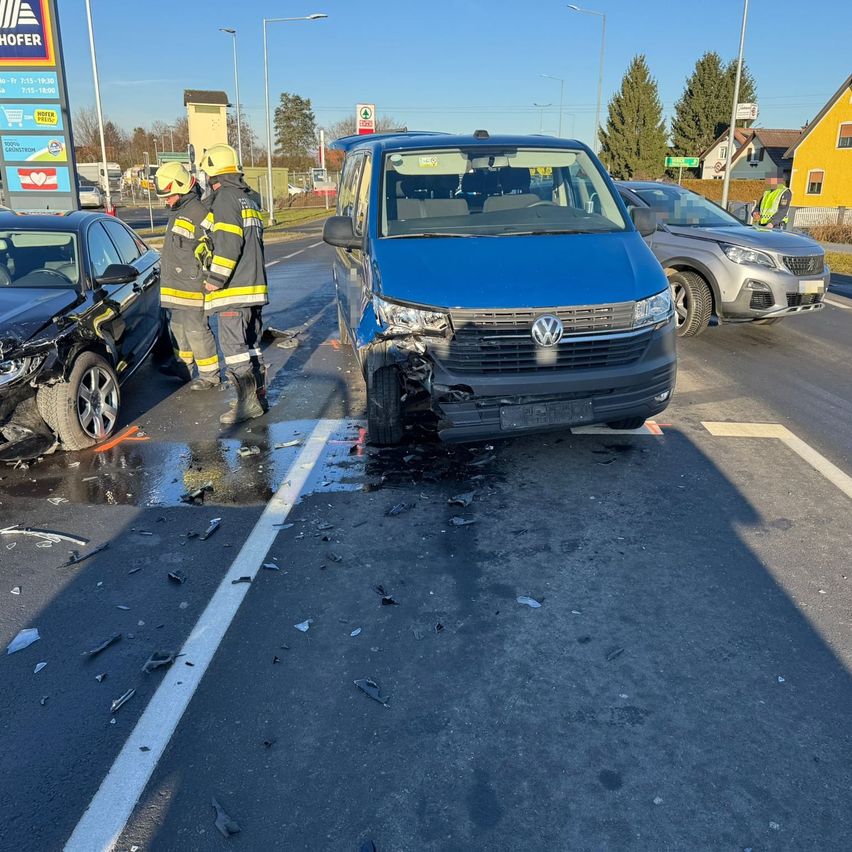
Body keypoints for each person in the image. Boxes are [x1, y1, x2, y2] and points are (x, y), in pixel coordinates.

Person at [198, 143, 268, 425]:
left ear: (212, 174)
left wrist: (215, 279)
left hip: (233, 291)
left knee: (235, 349)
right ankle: (258, 398)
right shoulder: (247, 198)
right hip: (253, 288)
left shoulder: (225, 199)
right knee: (251, 346)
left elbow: (228, 244)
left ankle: (246, 405)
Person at [154, 162, 221, 390]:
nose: (166, 200)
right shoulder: (179, 210)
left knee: (196, 330)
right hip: (176, 286)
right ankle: (183, 366)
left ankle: (210, 375)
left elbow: (215, 244)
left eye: (169, 196)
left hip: (193, 286)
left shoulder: (199, 213)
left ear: (182, 189)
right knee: (178, 328)